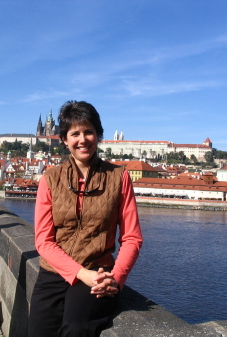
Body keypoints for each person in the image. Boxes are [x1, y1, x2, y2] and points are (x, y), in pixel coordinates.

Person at [28, 100, 143, 337]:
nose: (82, 139)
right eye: (75, 133)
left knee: (76, 329)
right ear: (64, 139)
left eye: (89, 132)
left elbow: (132, 238)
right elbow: (43, 241)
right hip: (55, 271)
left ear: (98, 135)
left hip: (98, 270)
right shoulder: (50, 178)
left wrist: (116, 278)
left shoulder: (119, 177)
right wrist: (81, 274)